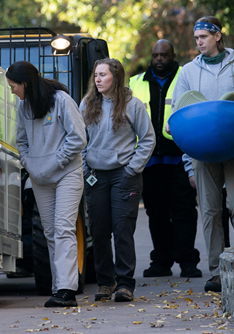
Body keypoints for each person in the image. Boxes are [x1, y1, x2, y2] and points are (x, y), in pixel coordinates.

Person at [169, 16, 234, 293]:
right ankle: (217, 272)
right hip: (202, 150)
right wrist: (189, 165)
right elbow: (179, 114)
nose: (198, 42)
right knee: (210, 211)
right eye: (196, 37)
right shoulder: (188, 71)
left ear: (217, 36)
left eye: (203, 36)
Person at [7, 61, 87, 308]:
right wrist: (30, 164)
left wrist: (56, 162)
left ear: (26, 83)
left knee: (64, 229)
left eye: (13, 86)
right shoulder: (23, 106)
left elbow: (78, 138)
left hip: (67, 175)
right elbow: (21, 141)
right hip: (39, 179)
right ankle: (58, 286)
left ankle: (67, 290)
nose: (12, 91)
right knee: (51, 233)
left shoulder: (61, 100)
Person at [80, 58, 155, 302]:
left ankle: (125, 284)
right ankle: (105, 282)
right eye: (96, 75)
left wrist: (132, 169)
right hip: (95, 176)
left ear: (116, 77)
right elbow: (79, 140)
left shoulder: (133, 105)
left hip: (124, 175)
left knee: (122, 229)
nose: (98, 79)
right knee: (99, 231)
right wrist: (85, 169)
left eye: (103, 75)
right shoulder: (87, 103)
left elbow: (147, 139)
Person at [129, 40, 202, 279]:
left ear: (173, 55)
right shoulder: (135, 83)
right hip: (149, 161)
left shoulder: (186, 77)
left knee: (184, 211)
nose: (159, 59)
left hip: (181, 157)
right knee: (156, 213)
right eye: (155, 55)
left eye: (164, 55)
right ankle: (161, 261)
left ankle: (188, 261)